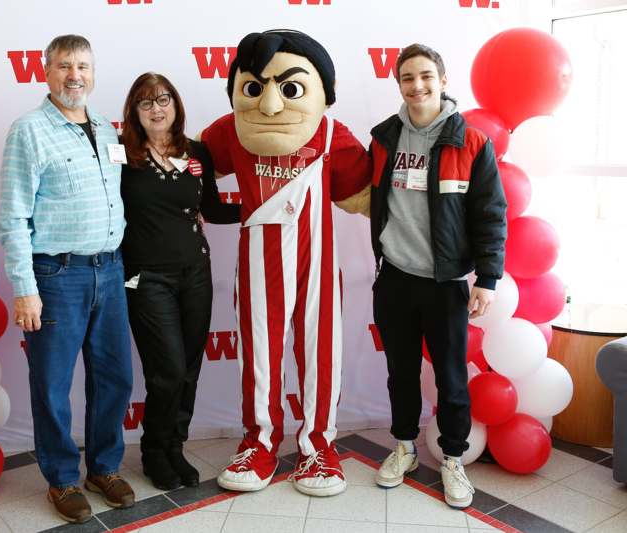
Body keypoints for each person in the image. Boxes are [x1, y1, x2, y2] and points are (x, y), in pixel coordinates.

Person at [200, 30, 372, 497]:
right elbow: (190, 166)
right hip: (256, 266)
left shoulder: (334, 134)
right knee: (259, 358)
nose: (271, 104)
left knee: (320, 356)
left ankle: (319, 445)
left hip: (317, 265)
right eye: (256, 87)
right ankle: (259, 442)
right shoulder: (232, 128)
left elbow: (365, 196)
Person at [354, 43, 507, 509]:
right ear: (398, 84)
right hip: (395, 277)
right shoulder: (383, 137)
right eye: (407, 78)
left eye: (425, 76)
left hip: (446, 283)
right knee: (400, 372)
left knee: (451, 376)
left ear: (442, 79)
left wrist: (488, 278)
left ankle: (453, 460)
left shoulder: (472, 141)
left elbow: (491, 213)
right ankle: (402, 447)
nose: (417, 86)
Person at [0, 34, 135, 524]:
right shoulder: (28, 131)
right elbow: (13, 218)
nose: (75, 75)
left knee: (115, 376)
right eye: (64, 66)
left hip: (110, 269)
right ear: (46, 72)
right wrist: (24, 287)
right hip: (56, 276)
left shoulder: (106, 128)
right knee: (54, 383)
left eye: (83, 66)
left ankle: (104, 467)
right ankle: (61, 477)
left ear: (93, 72)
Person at [119, 73, 241, 491]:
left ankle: (175, 447)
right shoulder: (121, 154)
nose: (157, 109)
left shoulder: (198, 152)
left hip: (195, 274)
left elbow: (213, 207)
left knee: (188, 368)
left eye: (164, 99)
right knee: (166, 371)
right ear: (134, 112)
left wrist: (261, 204)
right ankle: (154, 450)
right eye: (146, 102)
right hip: (145, 278)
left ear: (176, 104)